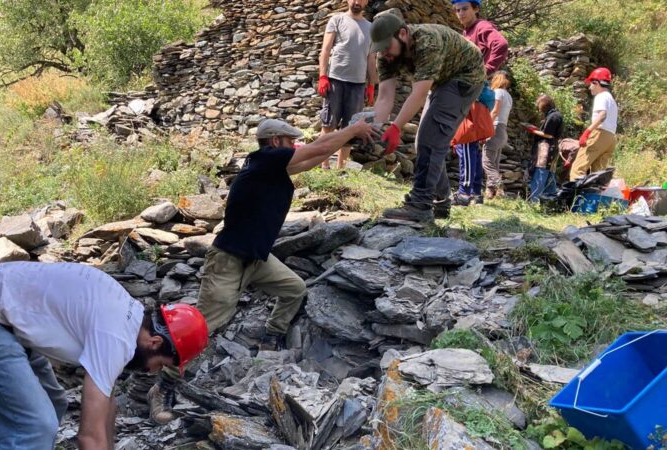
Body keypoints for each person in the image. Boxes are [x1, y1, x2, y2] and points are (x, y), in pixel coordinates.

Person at [148, 117, 379, 424]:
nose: (294, 145)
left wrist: (348, 141)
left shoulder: (271, 168)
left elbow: (313, 157)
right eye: (289, 141)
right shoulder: (265, 160)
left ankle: (270, 338)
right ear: (275, 142)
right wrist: (352, 130)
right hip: (228, 259)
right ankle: (162, 386)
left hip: (256, 258)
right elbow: (317, 147)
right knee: (201, 328)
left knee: (294, 289)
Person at [0, 261, 209, 449]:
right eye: (160, 364)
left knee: (55, 404)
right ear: (155, 342)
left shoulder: (127, 316)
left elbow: (107, 405)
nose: (152, 372)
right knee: (35, 426)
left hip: (2, 317)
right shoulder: (116, 336)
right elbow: (88, 437)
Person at [371, 9, 486, 222]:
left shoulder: (427, 41)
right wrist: (373, 128)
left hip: (466, 76)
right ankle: (441, 202)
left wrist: (395, 127)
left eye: (387, 47)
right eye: (380, 49)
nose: (384, 53)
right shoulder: (385, 56)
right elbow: (385, 97)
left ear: (403, 34)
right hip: (441, 80)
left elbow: (420, 92)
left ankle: (420, 205)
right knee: (422, 140)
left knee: (431, 139)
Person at [452, 0, 508, 205]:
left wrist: (485, 71)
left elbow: (501, 44)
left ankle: (464, 192)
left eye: (465, 9)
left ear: (475, 9)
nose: (461, 14)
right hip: (472, 92)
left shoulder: (481, 27)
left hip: (472, 94)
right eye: (457, 10)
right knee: (471, 144)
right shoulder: (467, 33)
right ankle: (475, 192)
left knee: (466, 140)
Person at [318, 0, 379, 169]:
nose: (357, 1)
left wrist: (371, 85)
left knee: (350, 128)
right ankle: (323, 165)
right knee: (328, 124)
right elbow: (325, 50)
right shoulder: (337, 20)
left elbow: (371, 58)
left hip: (358, 85)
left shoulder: (371, 28)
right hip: (336, 80)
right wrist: (323, 77)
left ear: (366, 2)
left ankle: (341, 168)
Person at [569, 67, 618, 180]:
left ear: (596, 83)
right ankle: (595, 197)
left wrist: (587, 132)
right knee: (598, 174)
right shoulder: (611, 99)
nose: (590, 87)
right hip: (610, 138)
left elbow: (602, 115)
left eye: (591, 84)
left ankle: (577, 196)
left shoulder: (601, 96)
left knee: (578, 169)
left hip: (599, 134)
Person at [522, 94, 563, 202]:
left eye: (539, 105)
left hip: (546, 149)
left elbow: (548, 134)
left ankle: (534, 201)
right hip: (551, 148)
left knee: (540, 173)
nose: (538, 108)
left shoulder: (553, 116)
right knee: (549, 175)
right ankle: (551, 201)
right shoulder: (554, 115)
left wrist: (531, 130)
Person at [483, 70, 513, 200]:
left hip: (494, 128)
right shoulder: (508, 95)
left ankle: (499, 186)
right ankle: (490, 193)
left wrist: (485, 126)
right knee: (494, 163)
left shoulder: (498, 92)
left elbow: (495, 111)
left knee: (486, 162)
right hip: (503, 130)